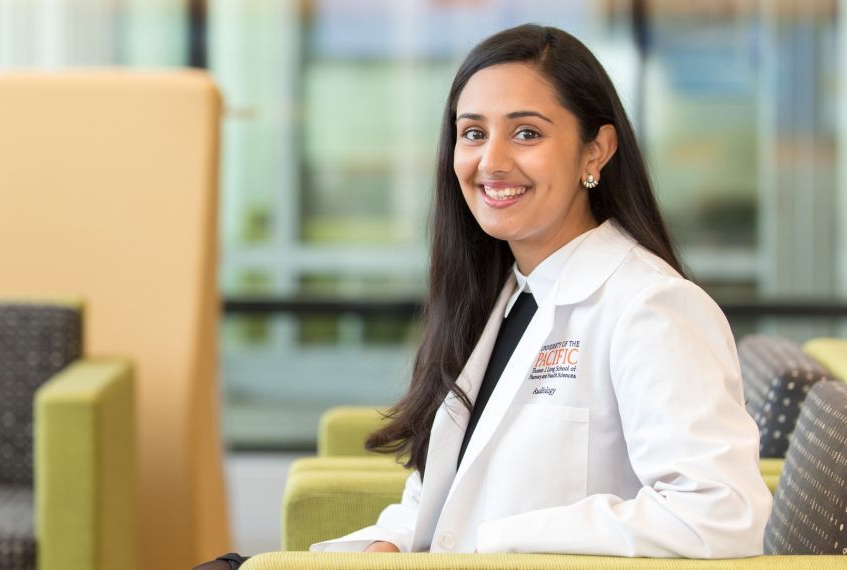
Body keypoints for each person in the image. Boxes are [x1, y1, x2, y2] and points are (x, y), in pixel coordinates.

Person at [195, 23, 771, 567]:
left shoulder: (651, 307)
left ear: (595, 152)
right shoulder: (502, 297)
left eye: (527, 133)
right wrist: (391, 543)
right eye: (473, 133)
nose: (491, 162)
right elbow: (440, 496)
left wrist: (500, 540)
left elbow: (719, 515)